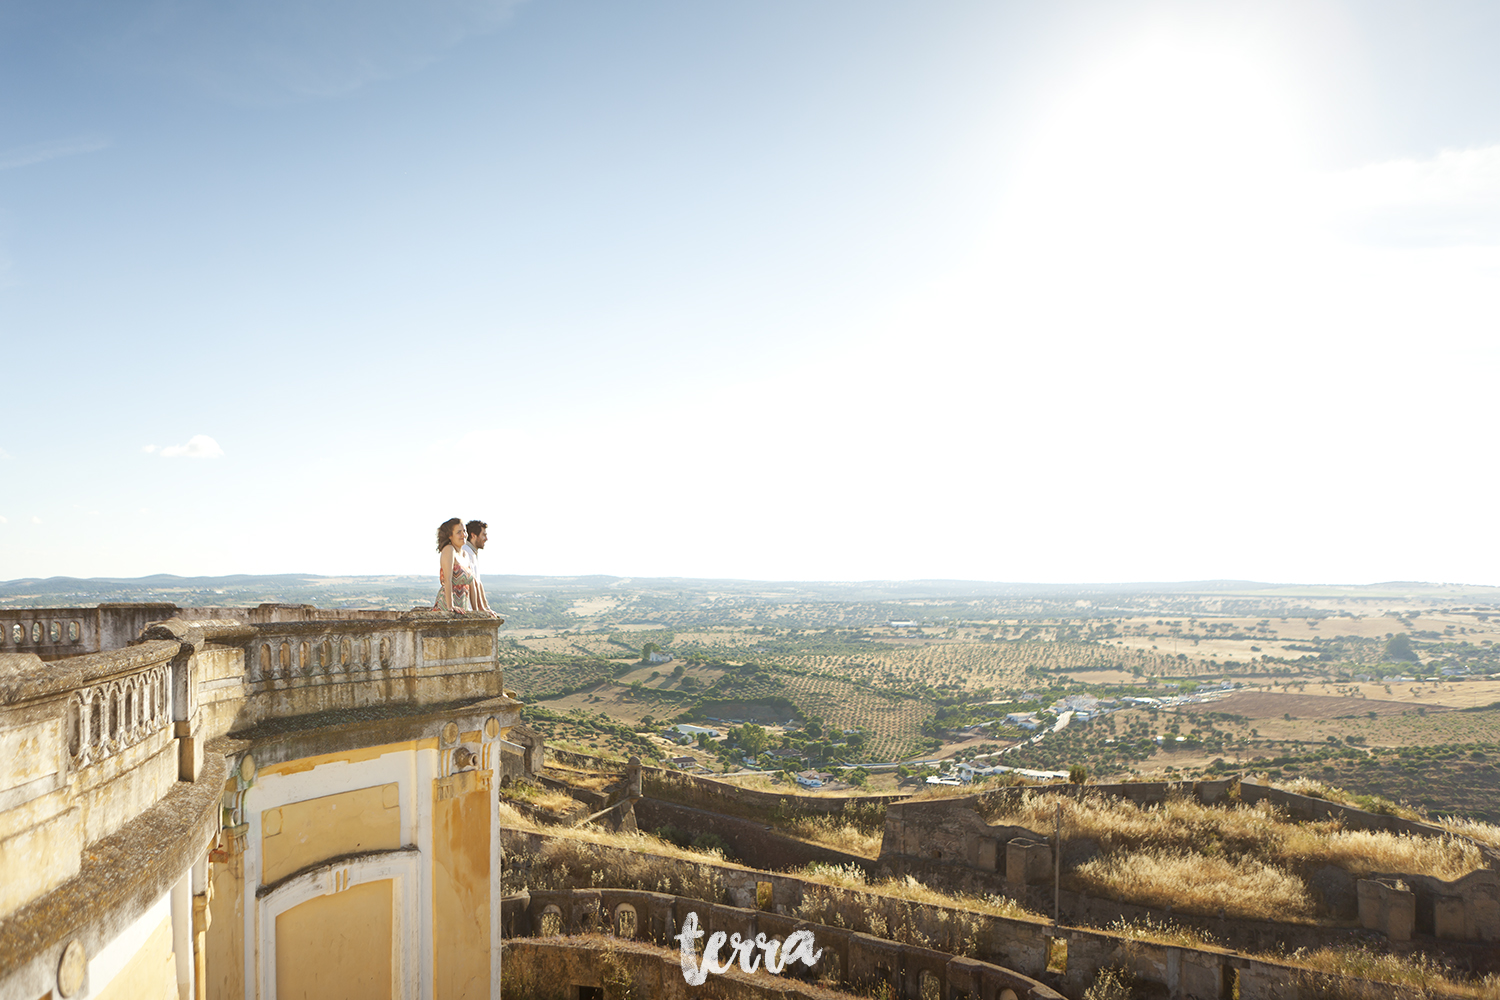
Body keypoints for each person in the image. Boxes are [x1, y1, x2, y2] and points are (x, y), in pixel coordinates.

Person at [433, 517, 479, 615]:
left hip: (463, 607)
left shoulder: (465, 554)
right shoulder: (449, 550)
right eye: (459, 532)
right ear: (450, 536)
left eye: (464, 531)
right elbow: (447, 580)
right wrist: (450, 607)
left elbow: (472, 585)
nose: (463, 535)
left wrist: (476, 612)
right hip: (447, 607)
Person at [463, 520, 497, 616]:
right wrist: (481, 609)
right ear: (473, 536)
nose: (486, 538)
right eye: (484, 535)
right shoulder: (466, 553)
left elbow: (478, 583)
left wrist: (486, 607)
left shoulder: (471, 552)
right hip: (467, 608)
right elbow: (474, 581)